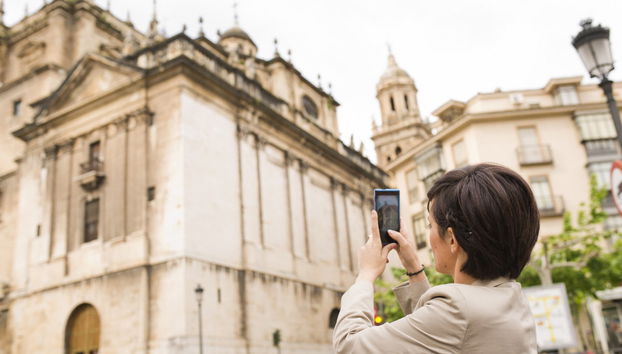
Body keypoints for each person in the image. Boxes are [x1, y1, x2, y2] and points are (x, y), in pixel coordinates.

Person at [333, 163, 540, 353]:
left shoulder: (458, 310)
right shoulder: (511, 296)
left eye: (430, 224)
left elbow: (349, 345)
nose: (429, 234)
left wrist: (366, 275)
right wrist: (413, 267)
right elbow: (436, 333)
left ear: (452, 239)